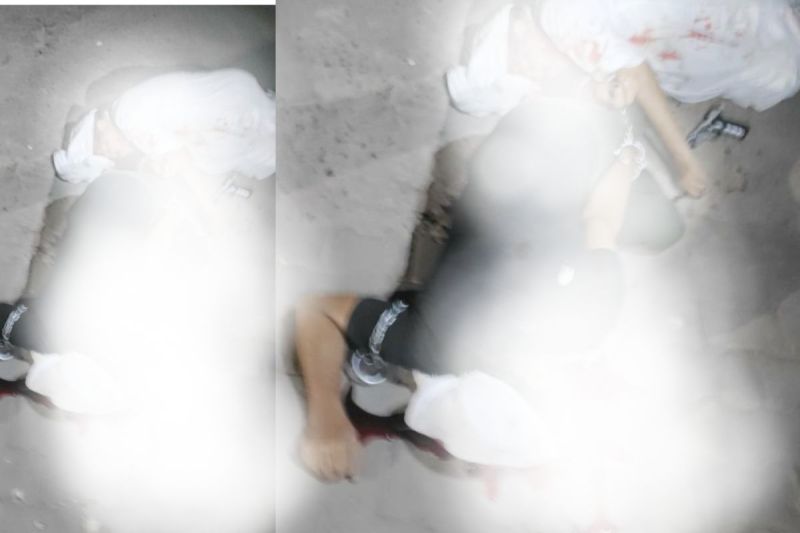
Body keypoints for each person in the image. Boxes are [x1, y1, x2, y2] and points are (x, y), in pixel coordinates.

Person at [294, 88, 662, 481]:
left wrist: (626, 152)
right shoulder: (435, 345)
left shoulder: (591, 323)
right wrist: (324, 413)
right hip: (514, 149)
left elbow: (602, 219)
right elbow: (315, 312)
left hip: (562, 138)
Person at [52, 68, 276, 184]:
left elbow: (179, 157)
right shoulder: (126, 109)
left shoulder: (127, 119)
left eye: (101, 147)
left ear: (100, 124)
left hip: (236, 117)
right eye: (108, 158)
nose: (112, 154)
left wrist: (166, 166)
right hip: (236, 100)